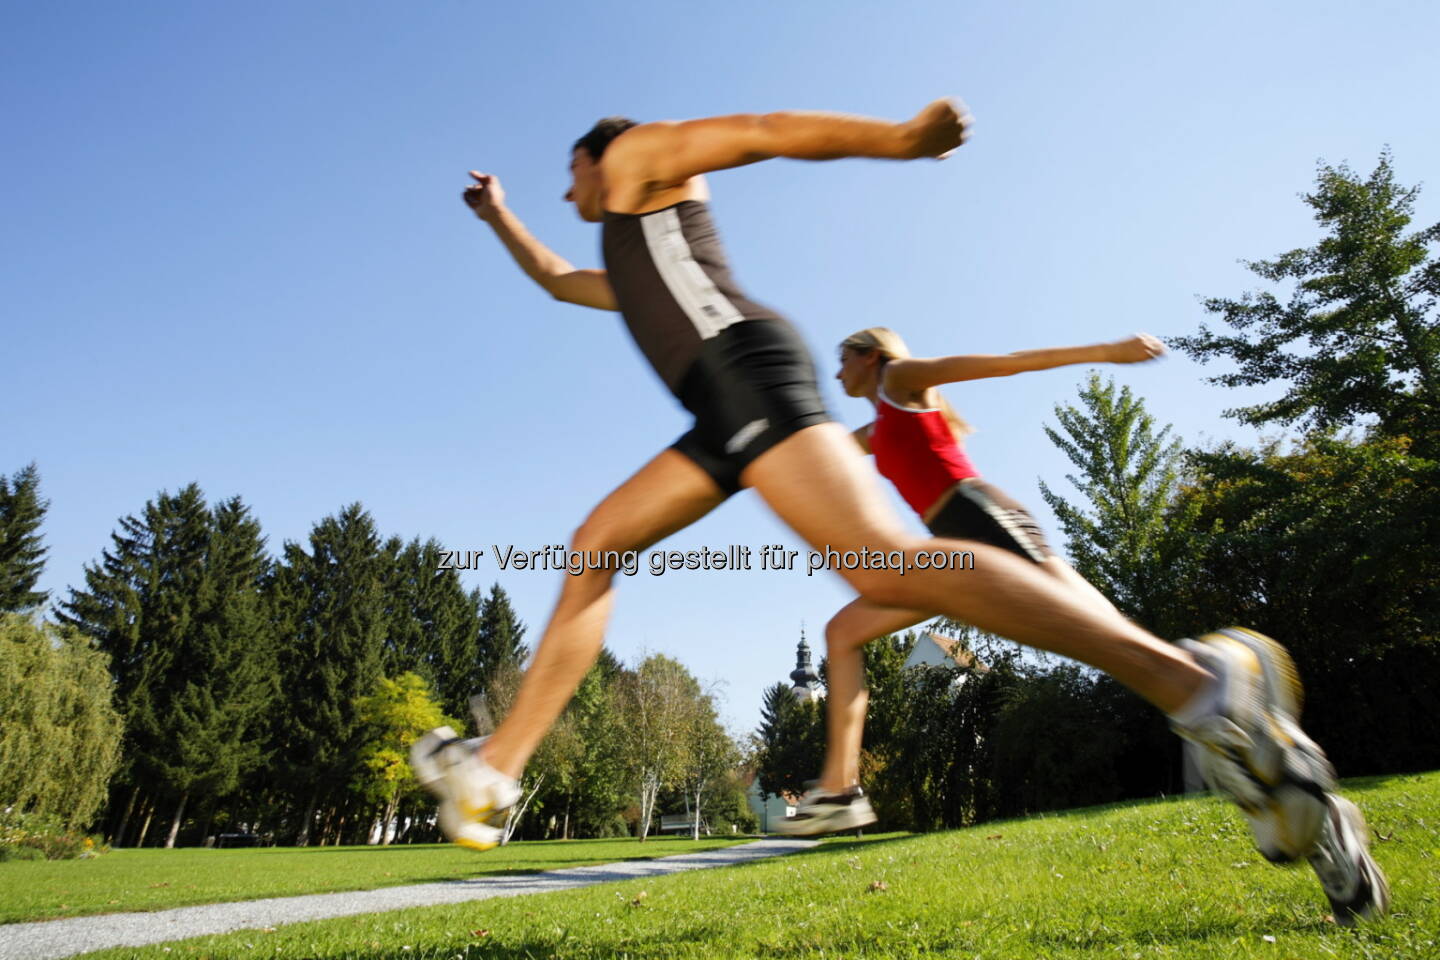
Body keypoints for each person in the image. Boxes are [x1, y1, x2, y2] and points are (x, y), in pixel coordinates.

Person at [408, 98, 1377, 921]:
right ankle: (498, 767)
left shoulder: (634, 159)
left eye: (565, 173)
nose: (569, 187)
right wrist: (499, 216)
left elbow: (762, 130)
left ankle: (1201, 687)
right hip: (718, 409)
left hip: (745, 371)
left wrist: (901, 140)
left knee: (883, 567)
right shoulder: (629, 262)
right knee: (599, 547)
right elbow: (549, 278)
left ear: (594, 154)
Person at [769, 325, 1387, 924]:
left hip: (987, 525)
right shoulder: (875, 428)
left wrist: (1108, 351)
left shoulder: (902, 381)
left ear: (871, 355)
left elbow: (1007, 360)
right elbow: (814, 458)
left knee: (1113, 643)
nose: (837, 370)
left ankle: (1232, 705)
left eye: (843, 358)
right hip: (954, 549)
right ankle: (841, 789)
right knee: (845, 631)